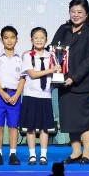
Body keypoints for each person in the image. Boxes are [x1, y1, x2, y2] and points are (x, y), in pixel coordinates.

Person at [50, 0, 89, 165]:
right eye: (73, 11)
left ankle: (87, 152)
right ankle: (76, 152)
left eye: (80, 12)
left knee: (86, 120)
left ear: (87, 14)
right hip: (64, 83)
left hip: (85, 84)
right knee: (70, 118)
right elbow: (54, 50)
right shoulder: (63, 29)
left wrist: (74, 77)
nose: (76, 15)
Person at [0, 26, 25, 166]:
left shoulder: (21, 59)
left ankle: (13, 154)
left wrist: (17, 95)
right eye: (6, 38)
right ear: (1, 40)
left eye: (12, 37)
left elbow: (23, 78)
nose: (9, 40)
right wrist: (2, 93)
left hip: (15, 95)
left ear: (17, 39)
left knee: (14, 126)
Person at [21, 27, 60, 166]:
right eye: (36, 38)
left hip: (46, 95)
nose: (39, 40)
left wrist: (58, 73)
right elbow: (32, 74)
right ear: (31, 40)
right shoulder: (28, 55)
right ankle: (32, 155)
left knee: (44, 128)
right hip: (31, 95)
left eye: (42, 38)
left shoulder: (52, 56)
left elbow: (57, 73)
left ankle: (43, 155)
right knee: (30, 127)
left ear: (46, 40)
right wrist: (51, 69)